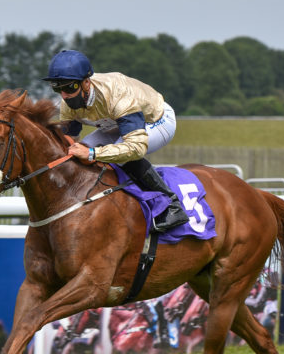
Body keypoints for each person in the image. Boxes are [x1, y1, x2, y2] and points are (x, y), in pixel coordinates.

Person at [42, 49, 188, 232]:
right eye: (58, 88)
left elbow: (136, 148)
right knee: (79, 150)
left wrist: (92, 154)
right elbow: (69, 140)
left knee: (119, 154)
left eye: (69, 88)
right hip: (117, 122)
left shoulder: (117, 93)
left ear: (86, 83)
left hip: (156, 120)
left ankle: (172, 204)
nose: (64, 95)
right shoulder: (68, 102)